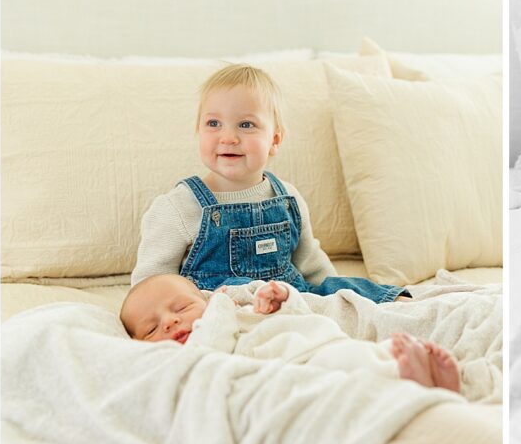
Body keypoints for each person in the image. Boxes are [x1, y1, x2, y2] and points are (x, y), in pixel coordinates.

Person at [130, 63, 406, 303]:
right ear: (198, 131)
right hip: (224, 307)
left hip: (293, 300)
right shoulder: (178, 207)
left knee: (349, 288)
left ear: (274, 140)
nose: (228, 137)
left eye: (246, 125)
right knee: (240, 291)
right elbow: (150, 284)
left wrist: (337, 297)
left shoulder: (287, 198)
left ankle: (405, 306)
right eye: (214, 124)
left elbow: (312, 265)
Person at [119, 273, 461, 393]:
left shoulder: (239, 311)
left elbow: (299, 315)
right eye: (151, 329)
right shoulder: (200, 343)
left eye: (180, 309)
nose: (169, 323)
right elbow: (210, 350)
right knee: (354, 375)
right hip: (303, 365)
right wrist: (218, 311)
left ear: (203, 301)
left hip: (321, 340)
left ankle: (418, 376)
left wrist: (283, 298)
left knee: (371, 353)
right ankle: (414, 382)